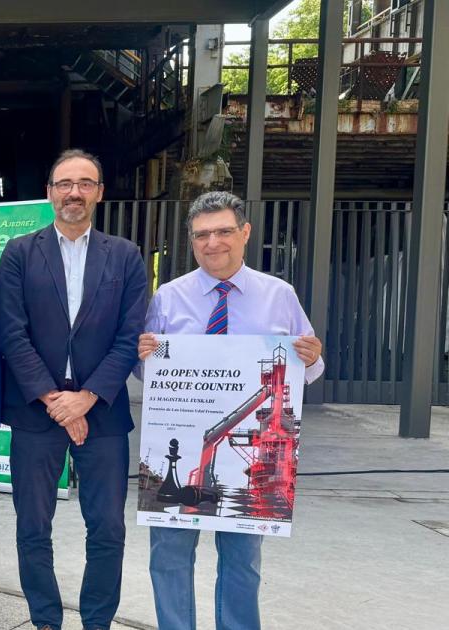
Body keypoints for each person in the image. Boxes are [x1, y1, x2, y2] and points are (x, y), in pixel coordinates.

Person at [138, 190, 324, 630]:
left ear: (245, 233)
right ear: (191, 240)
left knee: (243, 562)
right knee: (168, 556)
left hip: (250, 458)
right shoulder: (168, 297)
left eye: (223, 231)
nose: (212, 243)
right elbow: (148, 374)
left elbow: (309, 371)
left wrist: (313, 356)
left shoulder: (279, 296)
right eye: (201, 234)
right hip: (182, 435)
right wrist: (144, 356)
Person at [0, 149, 148, 630]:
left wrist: (86, 398)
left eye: (85, 183)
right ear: (49, 192)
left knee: (107, 528)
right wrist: (53, 399)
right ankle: (45, 619)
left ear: (99, 192)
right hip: (35, 412)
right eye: (65, 183)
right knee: (32, 527)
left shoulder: (125, 255)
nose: (74, 192)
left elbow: (130, 336)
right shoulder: (20, 253)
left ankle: (97, 622)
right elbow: (11, 333)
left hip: (102, 411)